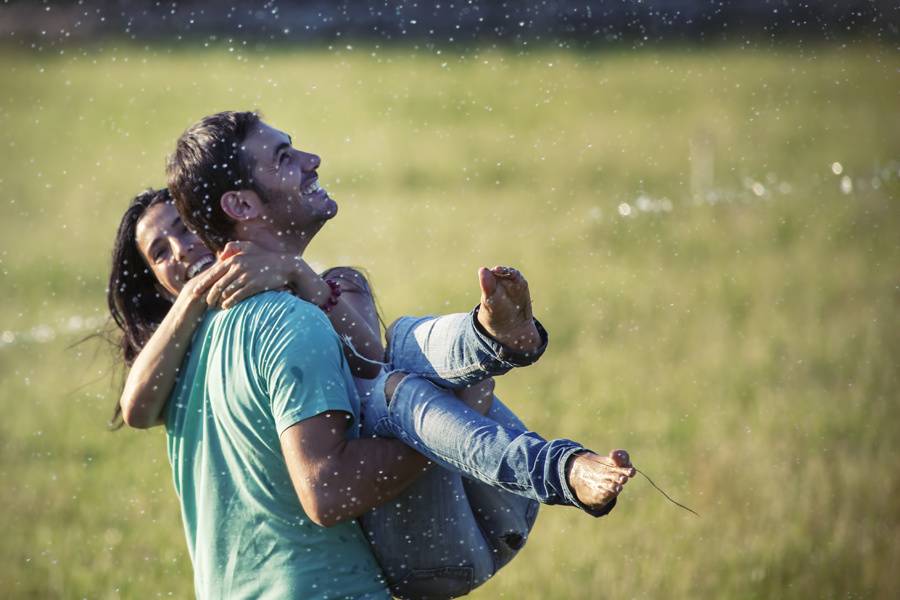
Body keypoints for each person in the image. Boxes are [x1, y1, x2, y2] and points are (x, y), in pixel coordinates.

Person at [107, 113, 634, 598]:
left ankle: (494, 344)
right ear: (240, 206)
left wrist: (306, 281)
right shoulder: (284, 323)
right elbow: (326, 491)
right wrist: (454, 416)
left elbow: (369, 359)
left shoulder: (192, 351)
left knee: (400, 364)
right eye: (286, 158)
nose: (312, 161)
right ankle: (515, 388)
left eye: (183, 231)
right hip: (333, 591)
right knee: (406, 367)